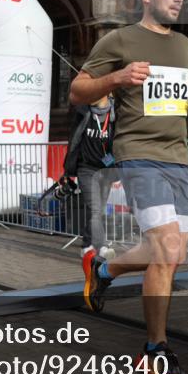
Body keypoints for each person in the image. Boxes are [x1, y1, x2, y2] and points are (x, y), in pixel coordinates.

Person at [69, 0, 188, 374]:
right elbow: (77, 91)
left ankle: (103, 271)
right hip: (139, 156)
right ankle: (154, 349)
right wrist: (116, 77)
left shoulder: (184, 45)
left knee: (172, 255)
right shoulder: (120, 39)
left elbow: (169, 100)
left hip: (178, 157)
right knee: (165, 250)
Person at [62, 93, 117, 276]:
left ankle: (87, 244)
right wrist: (69, 169)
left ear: (106, 92)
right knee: (95, 209)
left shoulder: (116, 113)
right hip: (86, 169)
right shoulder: (83, 112)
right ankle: (101, 247)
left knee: (98, 210)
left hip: (106, 170)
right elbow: (74, 140)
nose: (91, 94)